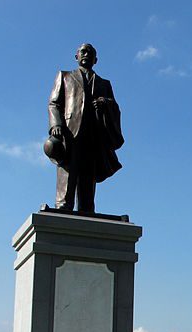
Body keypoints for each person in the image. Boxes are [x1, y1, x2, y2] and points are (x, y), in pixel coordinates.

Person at [46, 43, 124, 213]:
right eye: (83, 51)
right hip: (70, 132)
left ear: (96, 60)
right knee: (68, 170)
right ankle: (63, 206)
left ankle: (87, 209)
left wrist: (105, 103)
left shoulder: (104, 83)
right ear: (76, 56)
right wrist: (56, 125)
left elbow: (115, 107)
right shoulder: (65, 76)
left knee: (88, 175)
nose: (86, 54)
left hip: (93, 135)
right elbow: (54, 104)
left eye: (90, 53)